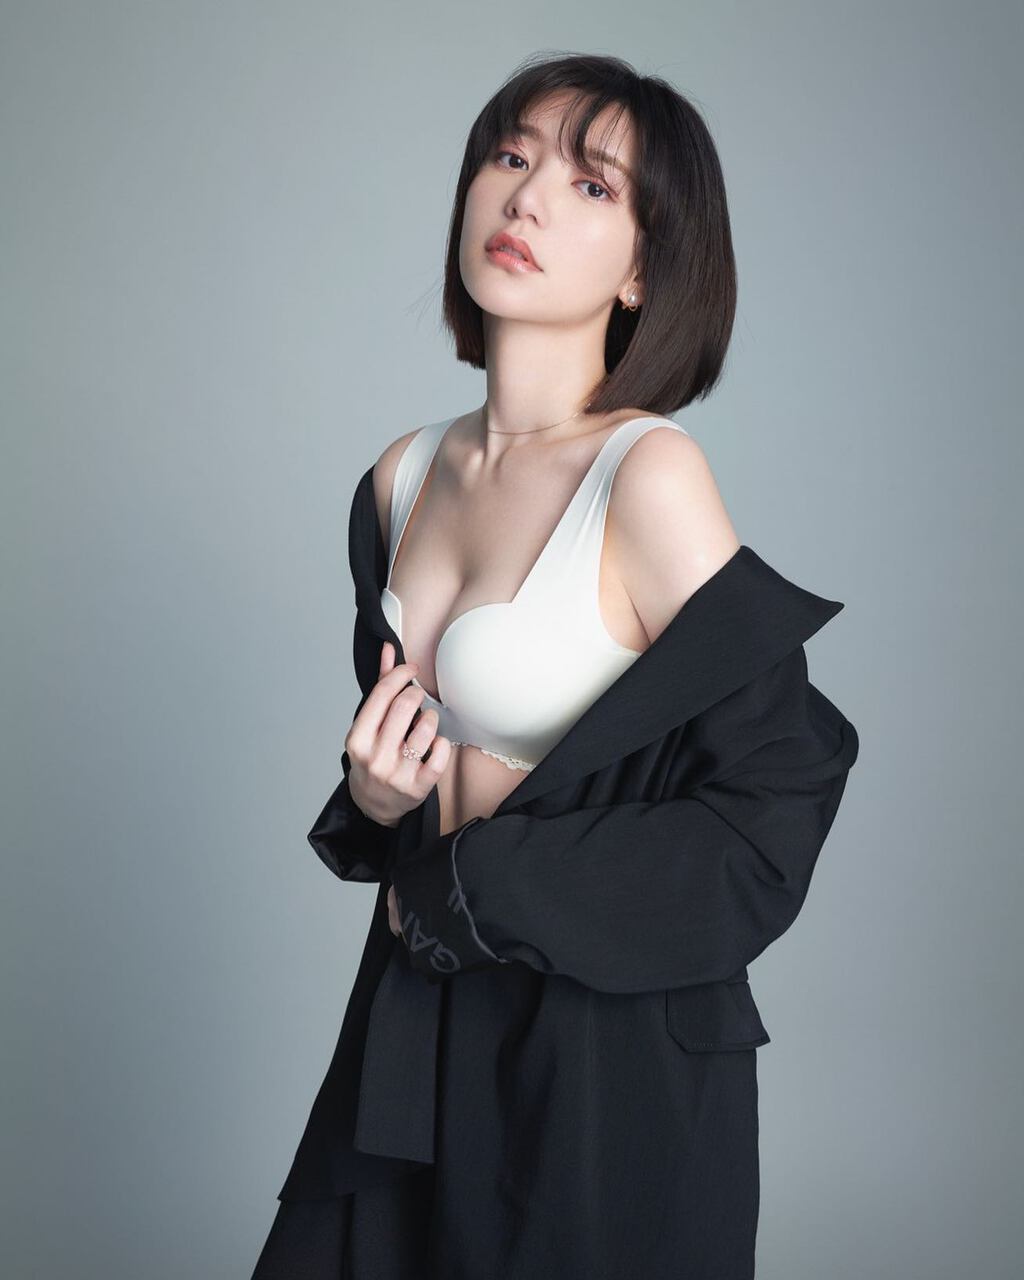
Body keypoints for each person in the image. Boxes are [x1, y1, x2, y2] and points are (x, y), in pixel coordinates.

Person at [253, 52, 859, 1280]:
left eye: (591, 185)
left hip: (604, 1048)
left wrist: (476, 883)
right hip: (419, 1013)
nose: (524, 197)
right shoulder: (398, 478)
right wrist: (376, 800)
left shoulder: (647, 475)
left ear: (643, 268)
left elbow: (771, 810)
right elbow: (415, 758)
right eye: (509, 155)